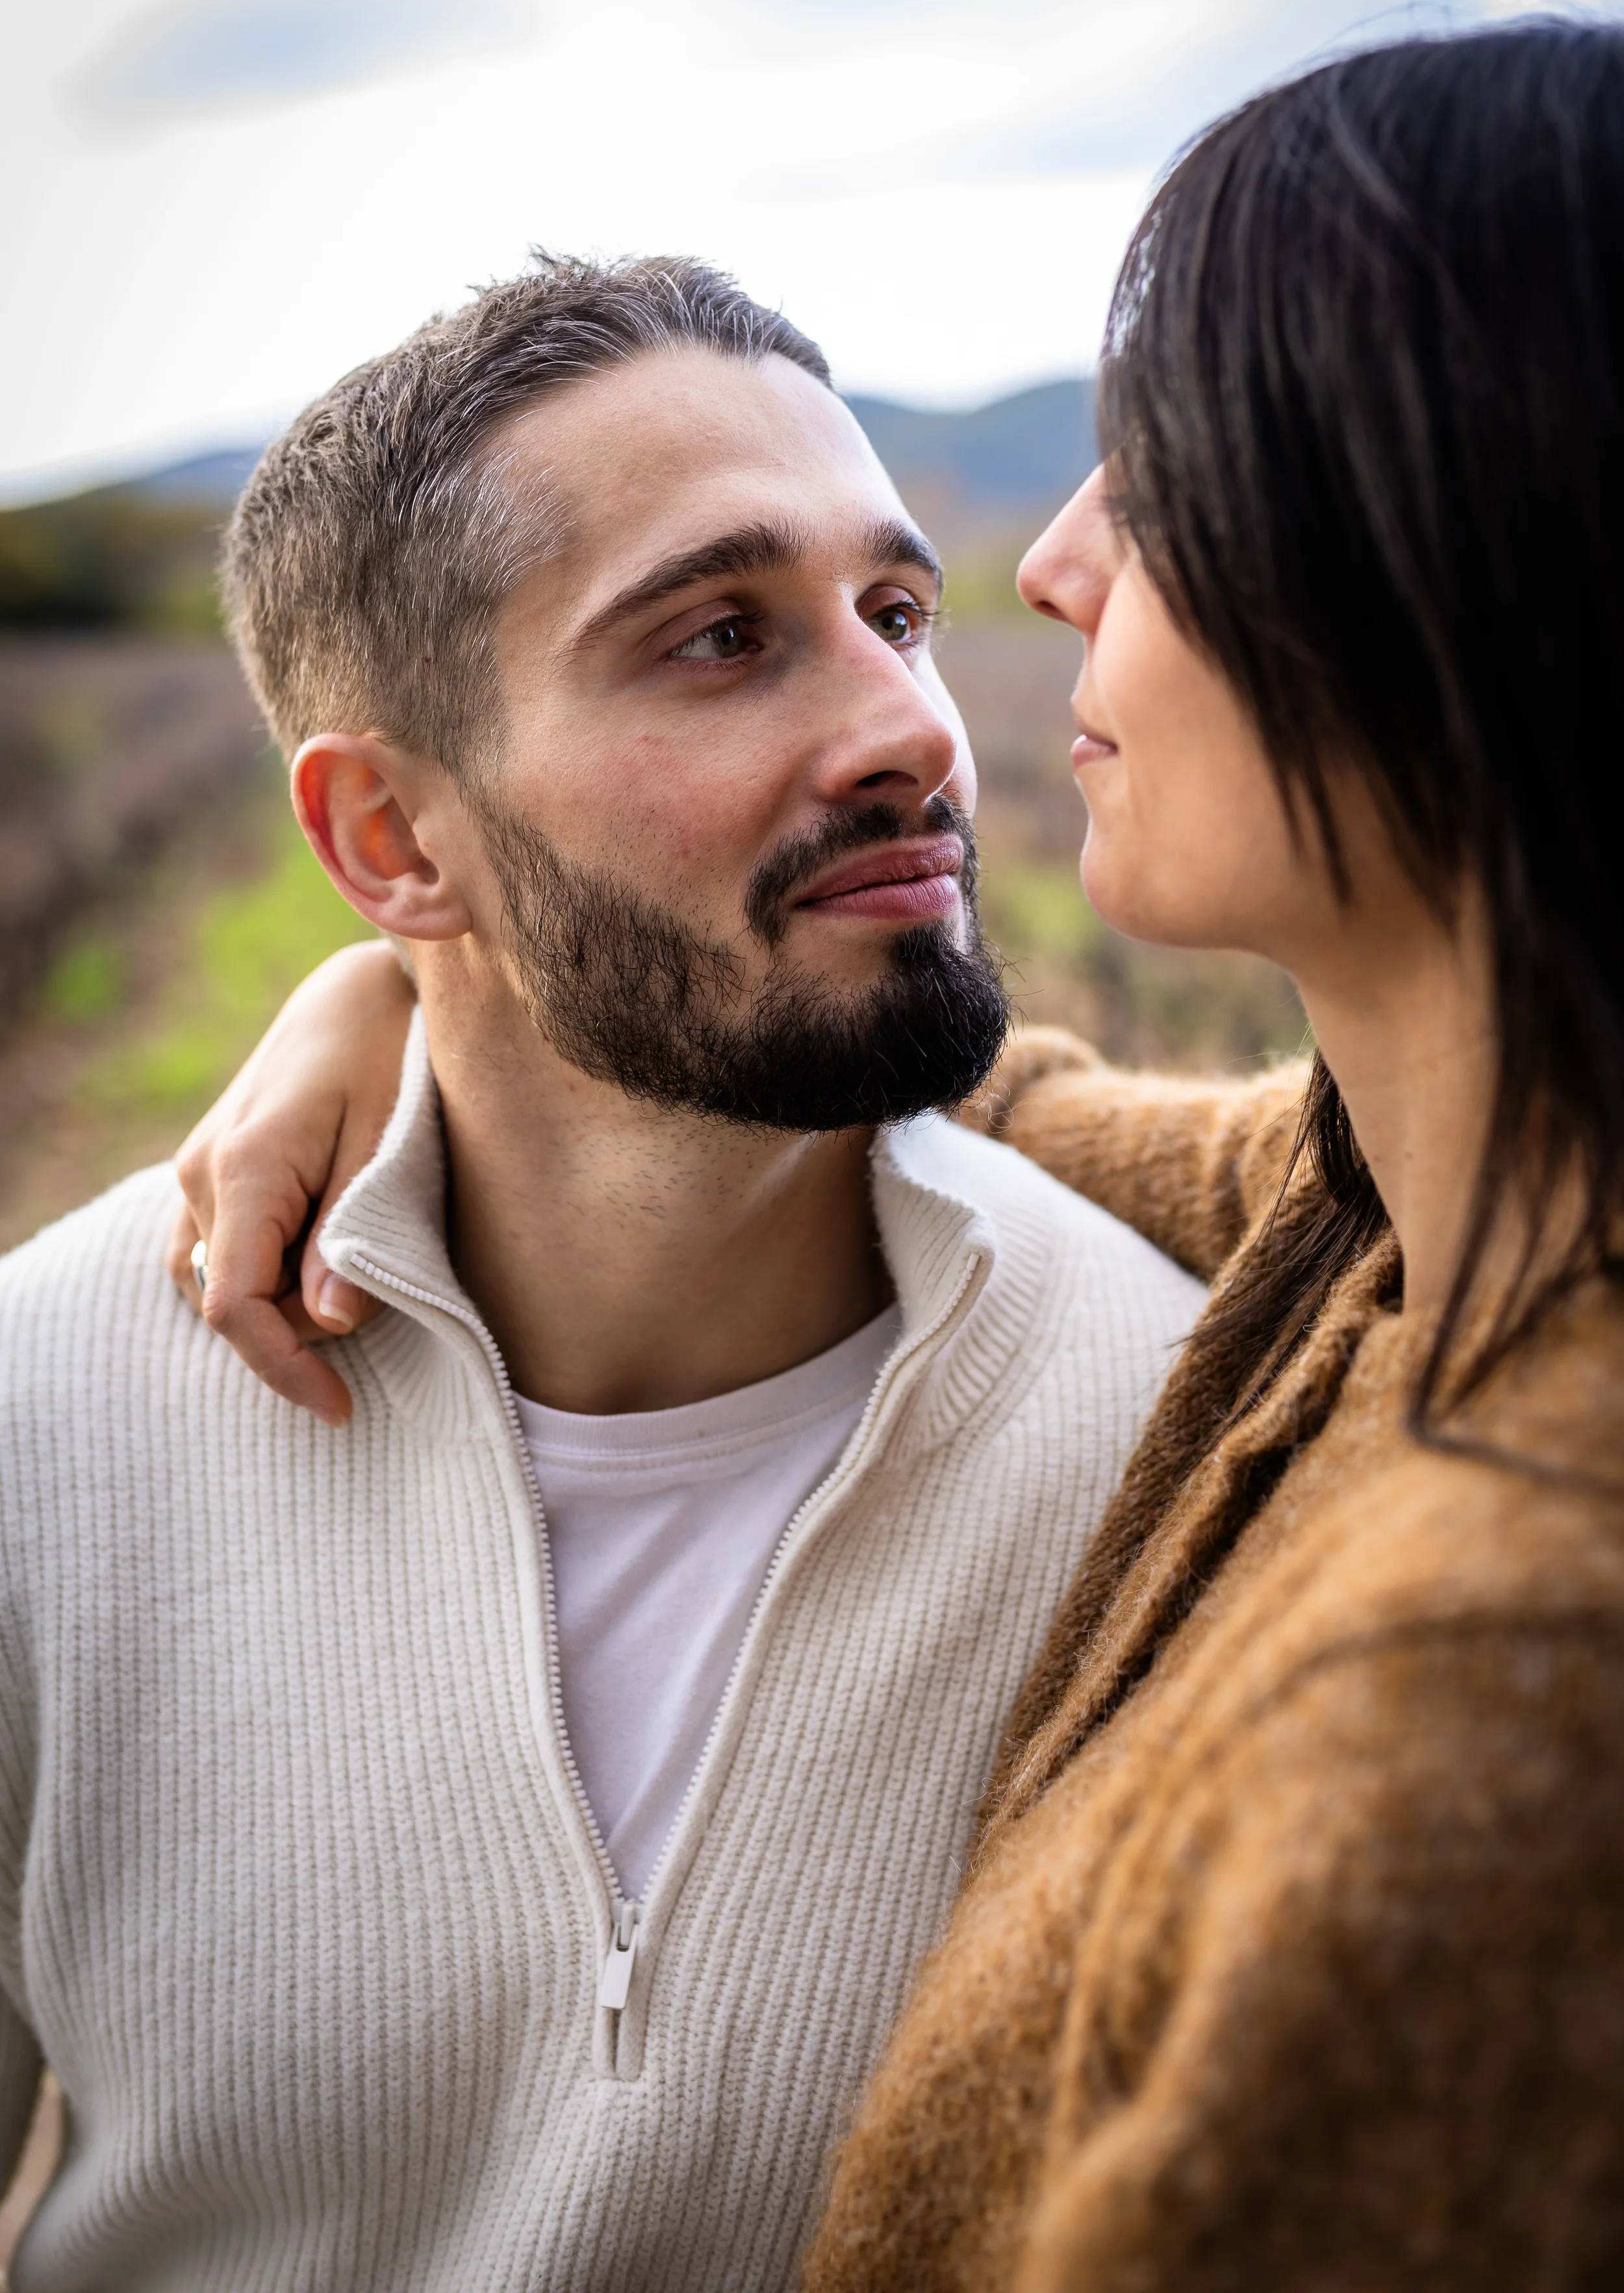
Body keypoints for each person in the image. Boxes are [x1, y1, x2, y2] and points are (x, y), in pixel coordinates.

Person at [177, 18, 1624, 2288]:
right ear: (386, 827)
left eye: (1176, 466)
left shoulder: (1494, 1681)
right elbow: (1014, 1093)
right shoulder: (1399, 1231)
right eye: (722, 635)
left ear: (1478, 545)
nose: (1045, 571)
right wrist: (423, 978)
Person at [0, 259, 1202, 2292]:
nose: (910, 727)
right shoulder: (43, 1421)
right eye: (722, 637)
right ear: (391, 838)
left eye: (895, 614)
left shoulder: (1175, 1430)